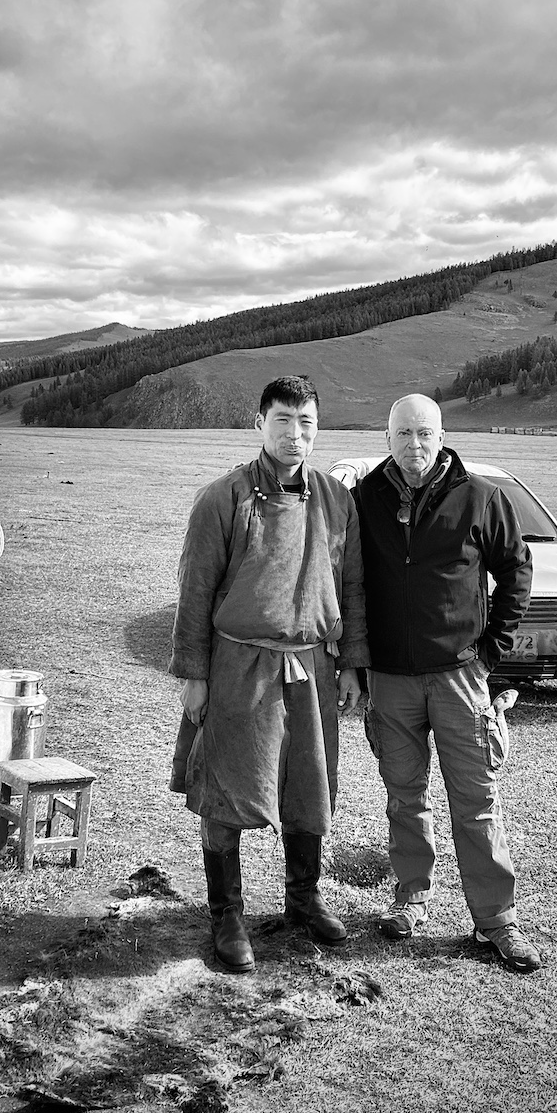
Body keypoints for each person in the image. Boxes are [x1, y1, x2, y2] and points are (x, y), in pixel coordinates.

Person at [168, 375, 370, 973]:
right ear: (260, 423)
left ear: (318, 429)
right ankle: (226, 913)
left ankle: (303, 898)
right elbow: (195, 590)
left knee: (309, 784)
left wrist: (353, 664)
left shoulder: (336, 500)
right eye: (283, 419)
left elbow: (352, 588)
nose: (294, 434)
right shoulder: (223, 498)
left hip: (313, 667)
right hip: (239, 664)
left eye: (306, 422)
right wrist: (195, 675)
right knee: (227, 784)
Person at [354, 393, 541, 972]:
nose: (415, 444)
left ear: (442, 436)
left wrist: (490, 653)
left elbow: (516, 571)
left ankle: (496, 920)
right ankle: (411, 899)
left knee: (476, 801)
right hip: (390, 679)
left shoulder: (481, 496)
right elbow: (349, 579)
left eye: (425, 433)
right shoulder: (365, 498)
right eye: (403, 433)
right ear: (387, 438)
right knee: (404, 797)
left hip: (461, 675)